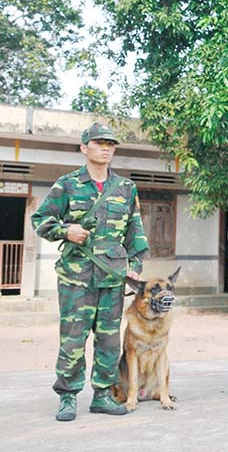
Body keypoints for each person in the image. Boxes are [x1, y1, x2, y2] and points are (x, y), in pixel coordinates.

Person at [31, 122, 148, 421]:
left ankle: (103, 394)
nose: (106, 147)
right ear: (84, 148)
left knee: (108, 339)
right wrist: (65, 230)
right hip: (76, 277)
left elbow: (136, 229)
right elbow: (40, 220)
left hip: (111, 277)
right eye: (98, 143)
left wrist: (135, 265)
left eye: (110, 143)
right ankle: (68, 396)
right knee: (73, 337)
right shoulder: (67, 184)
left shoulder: (125, 187)